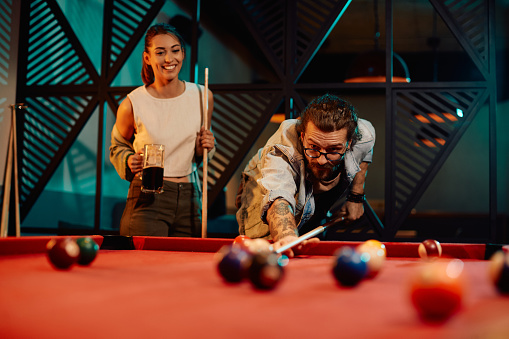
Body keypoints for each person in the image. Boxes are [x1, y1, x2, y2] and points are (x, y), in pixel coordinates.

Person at [236, 94, 375, 257]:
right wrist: (286, 236)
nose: (322, 160)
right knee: (267, 249)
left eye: (334, 149)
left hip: (313, 197)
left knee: (309, 246)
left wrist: (356, 196)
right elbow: (278, 196)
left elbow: (364, 154)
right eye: (314, 147)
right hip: (263, 187)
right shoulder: (282, 147)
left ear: (349, 142)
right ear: (303, 137)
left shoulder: (364, 135)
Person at [109, 23, 215, 237]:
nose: (169, 59)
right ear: (147, 57)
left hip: (190, 197)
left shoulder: (203, 96)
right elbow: (117, 147)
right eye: (160, 52)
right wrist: (129, 160)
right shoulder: (132, 103)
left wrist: (207, 146)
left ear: (183, 54)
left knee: (186, 269)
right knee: (144, 268)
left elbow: (202, 152)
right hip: (147, 198)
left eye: (175, 50)